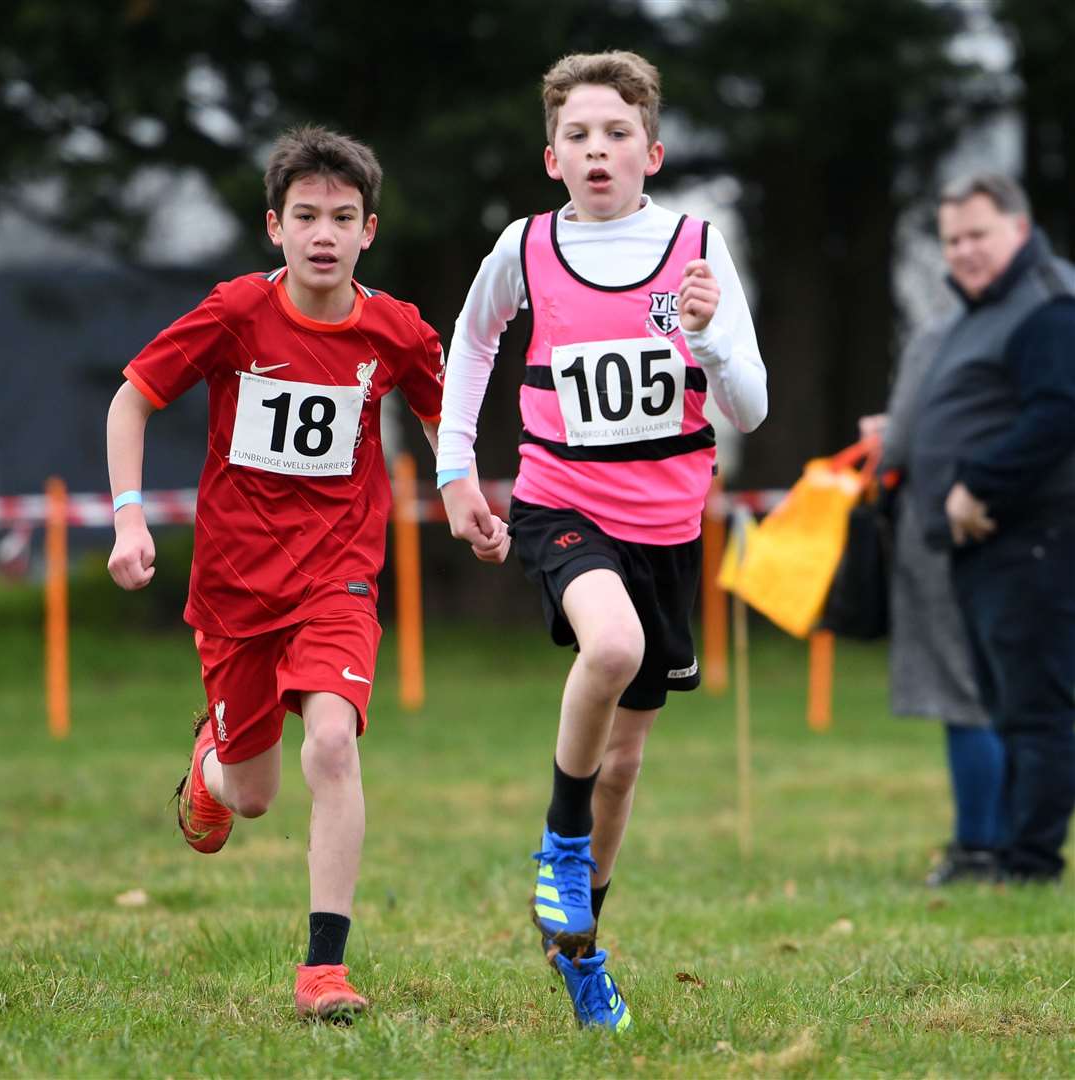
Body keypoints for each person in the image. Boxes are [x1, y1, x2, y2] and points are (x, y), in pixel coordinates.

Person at [105, 125, 508, 1020]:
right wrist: (130, 515)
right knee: (253, 796)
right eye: (305, 216)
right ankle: (211, 766)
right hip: (234, 589)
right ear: (274, 227)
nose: (323, 233)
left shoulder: (396, 329)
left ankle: (324, 969)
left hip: (340, 577)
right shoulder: (234, 313)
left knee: (332, 745)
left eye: (342, 217)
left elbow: (455, 417)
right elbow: (132, 398)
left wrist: (461, 495)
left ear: (369, 231)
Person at [437, 51, 767, 1029]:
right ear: (552, 157)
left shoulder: (700, 252)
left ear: (650, 151)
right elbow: (473, 338)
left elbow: (748, 407)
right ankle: (560, 847)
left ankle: (578, 948)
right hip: (559, 503)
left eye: (615, 133)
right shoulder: (525, 248)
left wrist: (706, 337)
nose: (596, 149)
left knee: (624, 764)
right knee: (610, 647)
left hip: (666, 526)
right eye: (577, 135)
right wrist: (457, 470)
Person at [908, 172, 1075, 883]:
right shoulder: (985, 307)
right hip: (987, 546)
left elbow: (1059, 411)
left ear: (1018, 225)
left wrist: (978, 482)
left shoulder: (1046, 305)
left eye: (978, 234)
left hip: (1033, 537)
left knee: (1036, 709)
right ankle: (1004, 849)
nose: (964, 252)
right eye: (951, 240)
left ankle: (1030, 861)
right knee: (1007, 704)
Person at [861, 327, 1006, 887]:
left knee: (963, 693)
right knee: (1014, 689)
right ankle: (1023, 841)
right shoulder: (1053, 312)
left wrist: (888, 438)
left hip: (946, 529)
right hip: (1031, 529)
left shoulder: (948, 332)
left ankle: (978, 848)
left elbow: (905, 441)